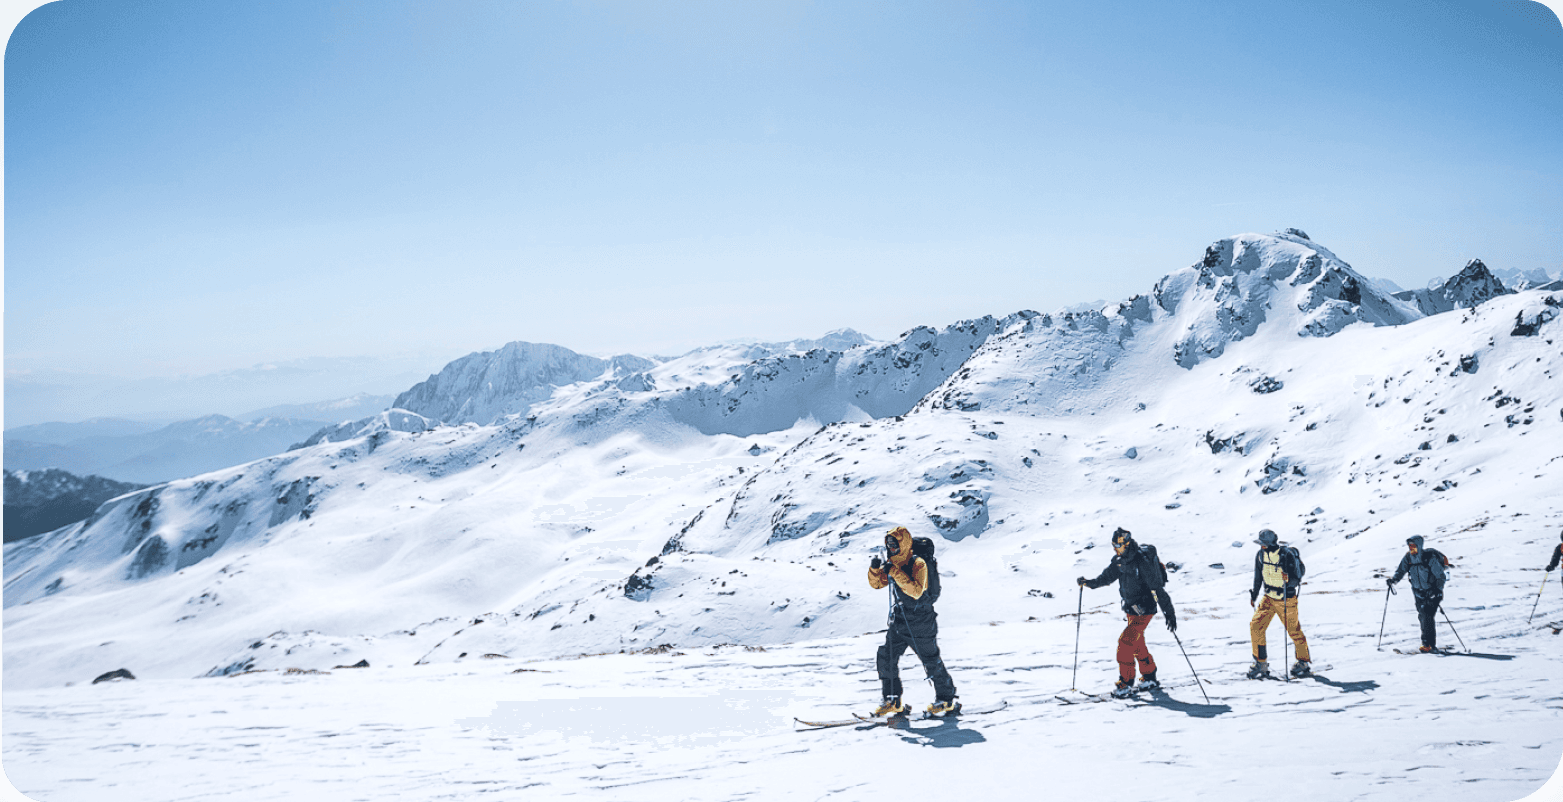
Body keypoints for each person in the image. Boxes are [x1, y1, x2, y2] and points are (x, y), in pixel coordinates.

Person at [867, 526, 959, 716]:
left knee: (931, 661)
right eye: (889, 544)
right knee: (886, 656)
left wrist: (894, 571)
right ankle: (893, 699)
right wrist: (875, 570)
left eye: (894, 544)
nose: (891, 548)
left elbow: (917, 591)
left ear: (904, 543)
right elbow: (878, 584)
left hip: (921, 622)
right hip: (900, 620)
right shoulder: (893, 563)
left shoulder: (918, 564)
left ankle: (946, 699)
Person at [1077, 527, 1177, 697]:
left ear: (1127, 544)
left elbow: (1157, 589)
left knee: (1125, 643)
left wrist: (1169, 613)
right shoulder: (1120, 561)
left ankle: (1126, 683)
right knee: (1137, 644)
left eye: (1118, 545)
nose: (1115, 548)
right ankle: (1149, 677)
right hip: (1131, 609)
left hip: (1144, 610)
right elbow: (1106, 578)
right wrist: (1088, 583)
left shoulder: (1141, 562)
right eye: (1113, 545)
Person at [1247, 529, 1311, 678]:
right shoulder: (1260, 555)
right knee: (1256, 626)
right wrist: (1254, 595)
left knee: (1294, 631)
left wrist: (1288, 579)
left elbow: (1297, 579)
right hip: (1268, 598)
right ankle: (1260, 663)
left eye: (1263, 544)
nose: (1261, 546)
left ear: (1270, 543)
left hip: (1286, 599)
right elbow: (1258, 577)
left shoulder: (1286, 555)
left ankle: (1303, 661)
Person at [1387, 535, 1451, 652]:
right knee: (1422, 617)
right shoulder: (1408, 558)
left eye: (1413, 545)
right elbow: (1401, 570)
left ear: (1419, 545)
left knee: (1427, 616)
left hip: (1432, 593)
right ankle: (1428, 644)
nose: (1411, 548)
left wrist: (1437, 590)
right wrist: (1394, 580)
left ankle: (1428, 644)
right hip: (1418, 593)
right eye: (1410, 545)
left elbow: (1440, 576)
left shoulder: (1429, 558)